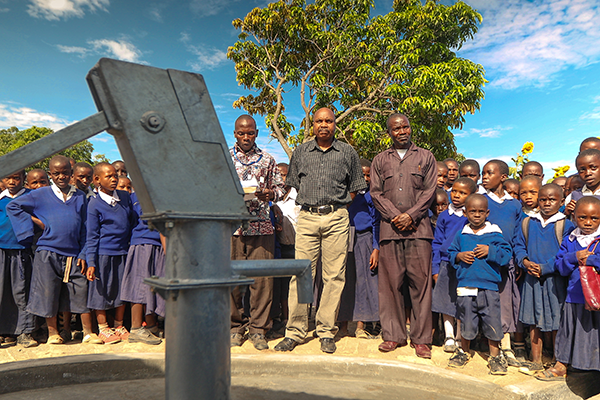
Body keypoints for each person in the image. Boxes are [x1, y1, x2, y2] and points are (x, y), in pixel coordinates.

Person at [275, 107, 366, 354]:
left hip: (337, 217)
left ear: (335, 124)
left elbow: (357, 185)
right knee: (302, 275)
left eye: (329, 121)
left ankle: (326, 331)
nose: (324, 125)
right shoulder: (301, 151)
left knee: (334, 276)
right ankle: (295, 332)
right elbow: (292, 183)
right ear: (312, 124)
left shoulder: (347, 152)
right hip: (306, 218)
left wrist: (339, 205)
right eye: (319, 121)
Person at [7, 156, 95, 345]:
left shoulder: (79, 196)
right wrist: (35, 224)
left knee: (80, 290)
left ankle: (88, 332)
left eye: (65, 173)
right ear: (50, 174)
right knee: (48, 291)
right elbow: (13, 206)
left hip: (73, 253)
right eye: (56, 173)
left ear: (71, 175)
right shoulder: (41, 194)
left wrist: (84, 252)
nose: (61, 176)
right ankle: (53, 332)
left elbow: (85, 227)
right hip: (47, 251)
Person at [369, 113, 437, 358]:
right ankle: (393, 336)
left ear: (410, 128)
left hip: (419, 231)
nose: (402, 131)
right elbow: (376, 193)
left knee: (421, 285)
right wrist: (396, 215)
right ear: (389, 132)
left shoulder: (425, 157)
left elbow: (430, 191)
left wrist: (411, 215)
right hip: (390, 231)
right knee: (390, 286)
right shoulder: (380, 160)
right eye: (396, 128)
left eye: (405, 126)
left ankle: (421, 340)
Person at [230, 115, 285, 351]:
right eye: (241, 133)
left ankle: (259, 330)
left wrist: (270, 194)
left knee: (262, 282)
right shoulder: (224, 158)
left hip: (261, 226)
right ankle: (234, 328)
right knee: (232, 282)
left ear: (256, 133)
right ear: (235, 134)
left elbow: (282, 189)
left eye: (250, 133)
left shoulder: (268, 159)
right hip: (231, 228)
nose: (245, 137)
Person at [446, 194, 512, 375]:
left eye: (481, 211)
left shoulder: (494, 233)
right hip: (466, 285)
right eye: (472, 211)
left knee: (492, 321)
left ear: (487, 213)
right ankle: (463, 351)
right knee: (466, 319)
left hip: (488, 286)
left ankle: (495, 356)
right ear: (465, 212)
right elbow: (451, 253)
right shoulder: (461, 234)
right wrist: (459, 256)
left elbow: (506, 254)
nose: (477, 215)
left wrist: (490, 251)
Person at [513, 184, 574, 374]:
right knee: (532, 319)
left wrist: (545, 267)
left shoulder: (566, 225)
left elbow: (565, 253)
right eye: (543, 199)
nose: (547, 203)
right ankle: (536, 359)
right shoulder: (528, 222)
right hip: (531, 278)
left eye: (552, 200)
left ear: (561, 202)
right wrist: (524, 262)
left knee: (557, 320)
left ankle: (557, 359)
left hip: (554, 280)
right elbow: (518, 244)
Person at [539, 196, 600, 380]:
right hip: (574, 295)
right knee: (569, 330)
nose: (588, 222)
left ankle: (591, 369)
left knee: (594, 332)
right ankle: (562, 365)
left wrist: (588, 259)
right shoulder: (571, 239)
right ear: (574, 216)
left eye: (594, 218)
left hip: (596, 296)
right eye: (582, 217)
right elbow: (560, 265)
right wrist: (574, 257)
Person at [86, 163, 136, 344]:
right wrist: (91, 261)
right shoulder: (94, 204)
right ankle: (103, 328)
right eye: (108, 176)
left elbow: (131, 222)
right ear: (97, 180)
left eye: (115, 175)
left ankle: (119, 325)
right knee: (101, 290)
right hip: (103, 254)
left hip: (123, 252)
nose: (114, 179)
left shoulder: (124, 196)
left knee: (122, 289)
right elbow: (91, 236)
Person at [481, 159, 523, 367]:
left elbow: (517, 235)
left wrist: (517, 261)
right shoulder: (479, 201)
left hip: (506, 263)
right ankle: (492, 350)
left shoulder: (514, 205)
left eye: (489, 173)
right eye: (483, 173)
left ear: (503, 177)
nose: (485, 177)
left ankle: (506, 347)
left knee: (505, 304)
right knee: (488, 304)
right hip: (484, 262)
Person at [431, 177, 477, 353]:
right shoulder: (444, 216)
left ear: (471, 195)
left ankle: (460, 337)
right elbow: (437, 243)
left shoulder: (471, 216)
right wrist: (435, 268)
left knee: (463, 301)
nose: (456, 195)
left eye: (463, 193)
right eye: (455, 191)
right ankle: (449, 336)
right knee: (445, 300)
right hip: (445, 264)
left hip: (466, 265)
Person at [120, 190, 165, 345]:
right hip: (144, 243)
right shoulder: (143, 194)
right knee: (139, 286)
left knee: (151, 286)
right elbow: (157, 221)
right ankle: (136, 328)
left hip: (155, 244)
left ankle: (151, 324)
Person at [0, 170, 38, 347]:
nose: (12, 181)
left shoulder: (32, 198)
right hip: (1, 250)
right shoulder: (1, 199)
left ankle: (25, 332)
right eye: (8, 177)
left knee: (21, 292)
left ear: (24, 179)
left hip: (21, 251)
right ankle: (5, 331)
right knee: (2, 292)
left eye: (16, 178)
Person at [349, 159, 381, 339]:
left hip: (366, 239)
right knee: (349, 280)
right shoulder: (348, 194)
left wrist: (376, 248)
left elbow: (376, 222)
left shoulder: (372, 196)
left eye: (369, 175)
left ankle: (363, 324)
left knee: (367, 281)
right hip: (346, 237)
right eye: (362, 174)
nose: (366, 178)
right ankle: (345, 323)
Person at [564, 149, 600, 217]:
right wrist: (567, 213)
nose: (587, 173)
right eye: (582, 169)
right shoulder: (572, 196)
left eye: (593, 167)